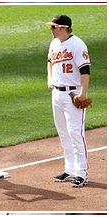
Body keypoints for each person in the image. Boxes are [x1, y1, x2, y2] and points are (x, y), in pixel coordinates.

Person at [46, 15, 91, 187]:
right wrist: (49, 78)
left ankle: (82, 173)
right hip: (57, 94)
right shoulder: (54, 43)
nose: (51, 29)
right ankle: (70, 169)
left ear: (64, 27)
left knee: (75, 133)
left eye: (53, 27)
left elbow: (85, 71)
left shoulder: (77, 44)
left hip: (73, 95)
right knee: (63, 133)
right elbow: (50, 61)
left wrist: (83, 94)